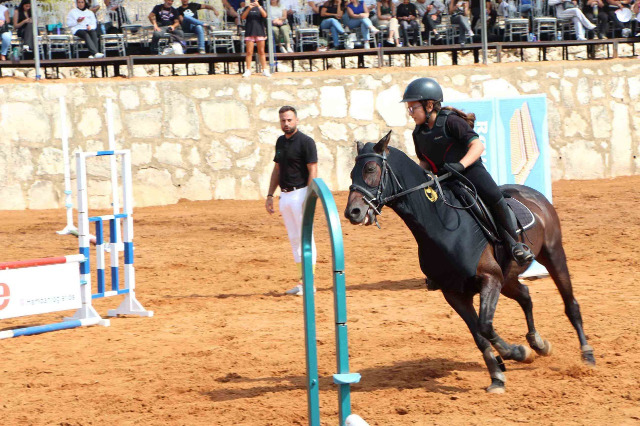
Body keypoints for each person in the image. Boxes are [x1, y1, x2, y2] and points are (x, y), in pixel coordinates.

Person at [401, 77, 534, 266]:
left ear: (429, 105)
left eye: (413, 107)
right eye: (409, 108)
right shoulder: (418, 133)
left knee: (494, 196)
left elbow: (478, 146)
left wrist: (461, 165)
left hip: (470, 173)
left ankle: (514, 245)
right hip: (443, 180)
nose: (410, 113)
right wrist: (417, 181)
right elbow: (424, 162)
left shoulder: (451, 122)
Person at [265, 105, 318, 295]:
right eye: (283, 120)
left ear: (296, 120)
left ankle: (309, 284)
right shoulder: (280, 142)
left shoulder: (306, 142)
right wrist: (270, 195)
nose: (286, 123)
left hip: (301, 193)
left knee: (306, 239)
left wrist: (309, 197)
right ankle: (302, 282)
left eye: (289, 120)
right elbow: (277, 170)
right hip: (285, 195)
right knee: (295, 240)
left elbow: (313, 169)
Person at [241, 0, 270, 77]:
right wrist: (249, 8)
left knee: (261, 51)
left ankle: (264, 69)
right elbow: (243, 17)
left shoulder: (261, 8)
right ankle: (248, 69)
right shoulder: (246, 8)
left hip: (259, 31)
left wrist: (259, 6)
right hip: (250, 31)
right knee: (249, 52)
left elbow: (264, 15)